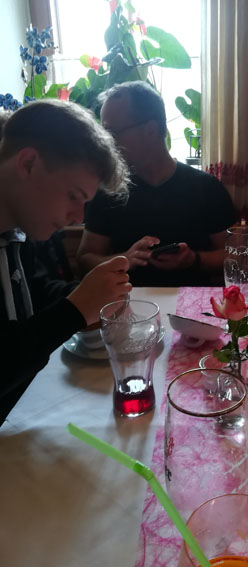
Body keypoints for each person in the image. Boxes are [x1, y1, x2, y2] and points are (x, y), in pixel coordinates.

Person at [0, 100, 132, 423]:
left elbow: (34, 294)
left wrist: (92, 294)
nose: (78, 217)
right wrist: (75, 310)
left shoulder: (19, 231)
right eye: (73, 196)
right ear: (28, 164)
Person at [77, 81, 236, 287]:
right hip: (126, 303)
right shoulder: (109, 190)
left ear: (150, 130)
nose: (106, 143)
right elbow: (85, 260)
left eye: (112, 133)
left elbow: (236, 256)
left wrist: (194, 259)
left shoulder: (206, 188)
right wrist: (125, 259)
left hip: (192, 304)